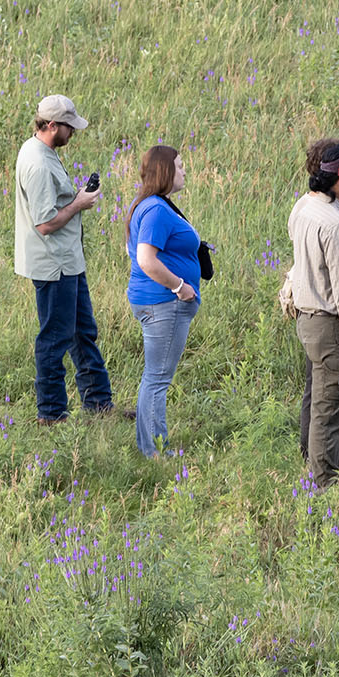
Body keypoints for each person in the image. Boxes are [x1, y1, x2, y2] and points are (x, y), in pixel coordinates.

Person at [14, 94, 118, 425]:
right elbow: (44, 224)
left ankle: (98, 404)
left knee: (82, 332)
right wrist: (79, 204)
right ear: (53, 125)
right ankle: (51, 414)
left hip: (66, 260)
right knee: (55, 339)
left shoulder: (40, 150)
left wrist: (75, 199)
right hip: (54, 264)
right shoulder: (40, 165)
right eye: (69, 127)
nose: (73, 133)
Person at [286, 138, 339, 488]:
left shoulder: (303, 208)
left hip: (309, 322)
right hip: (332, 327)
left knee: (321, 399)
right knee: (331, 410)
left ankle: (319, 469)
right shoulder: (336, 226)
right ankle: (325, 487)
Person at [125, 146, 203, 456]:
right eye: (180, 166)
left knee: (153, 377)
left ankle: (149, 446)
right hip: (163, 304)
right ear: (166, 171)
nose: (184, 171)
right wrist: (180, 286)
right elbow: (145, 258)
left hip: (153, 301)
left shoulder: (147, 204)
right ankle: (155, 451)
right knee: (157, 379)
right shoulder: (156, 209)